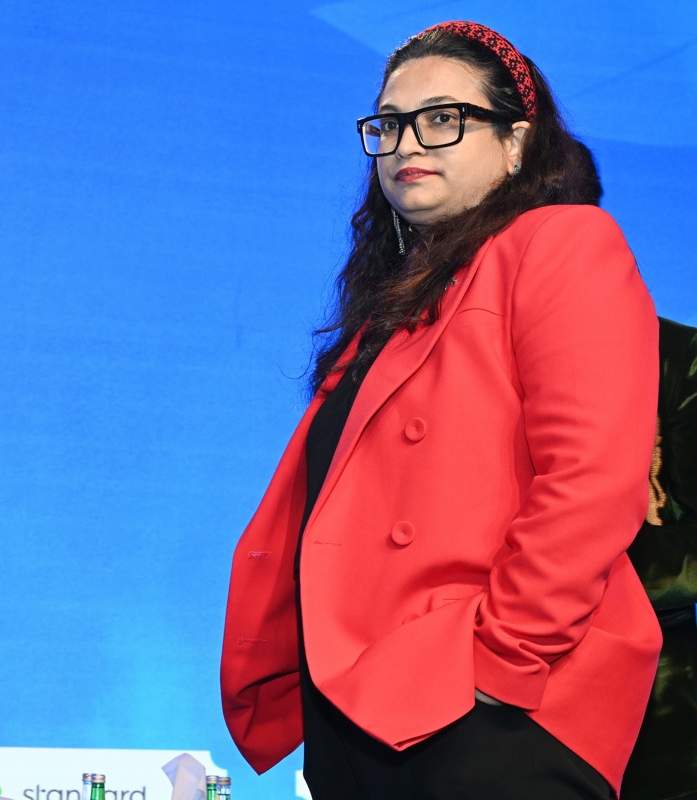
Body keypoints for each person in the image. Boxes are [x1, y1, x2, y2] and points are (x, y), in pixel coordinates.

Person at [220, 21, 660, 799]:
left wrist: (501, 661)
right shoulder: (395, 308)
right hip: (363, 703)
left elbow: (592, 480)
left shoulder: (561, 241)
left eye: (444, 118)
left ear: (517, 142)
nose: (407, 143)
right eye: (390, 124)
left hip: (490, 703)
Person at [623, 317, 697, 800]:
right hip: (488, 710)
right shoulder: (468, 352)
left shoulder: (674, 353)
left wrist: (574, 576)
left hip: (657, 706)